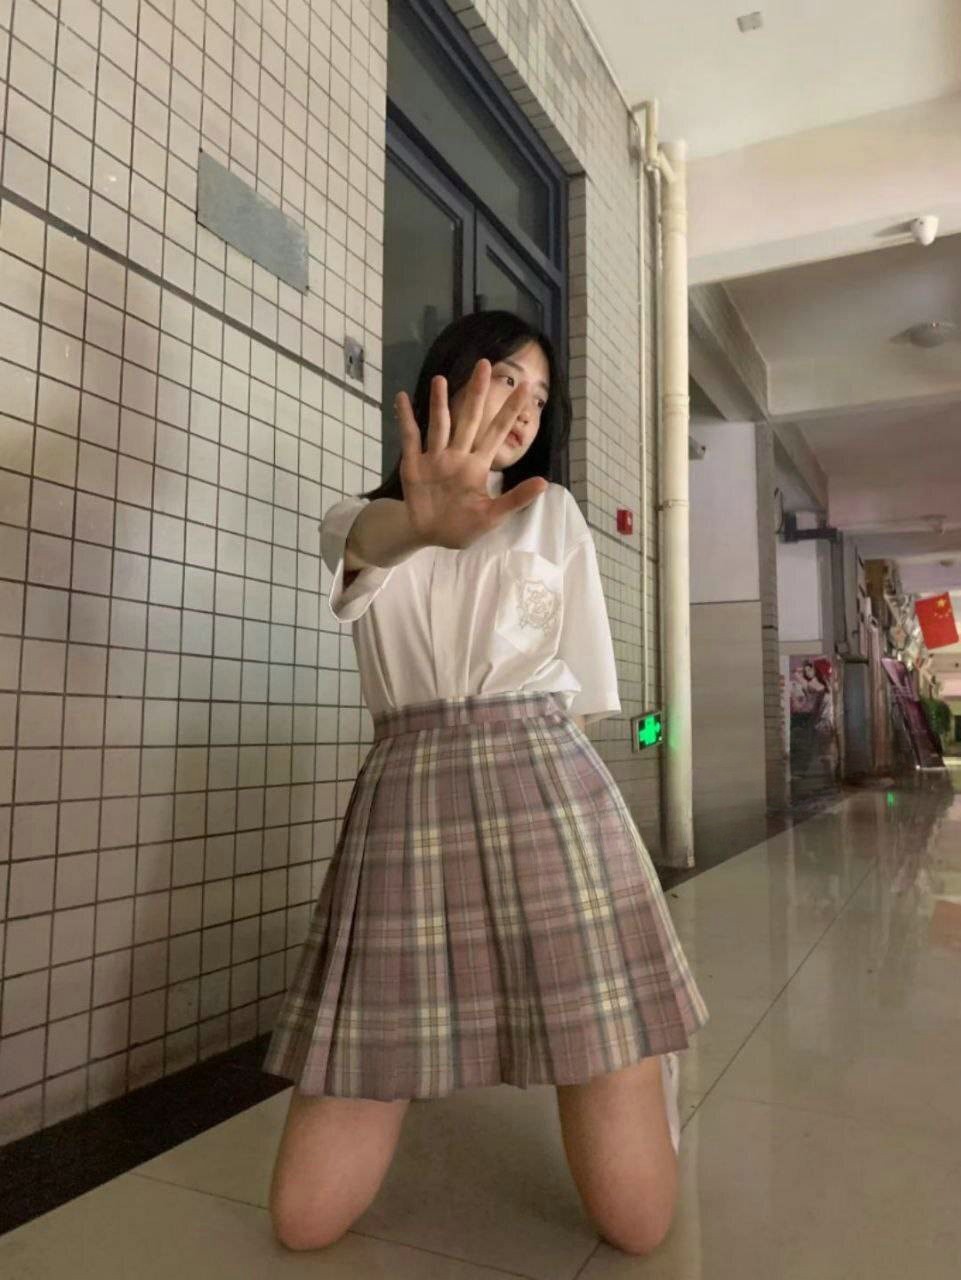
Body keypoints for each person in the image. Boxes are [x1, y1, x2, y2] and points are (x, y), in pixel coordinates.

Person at [262, 311, 708, 1258]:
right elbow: (375, 543)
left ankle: (640, 1068)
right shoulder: (357, 518)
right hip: (407, 794)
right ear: (451, 377)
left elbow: (582, 692)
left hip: (547, 779)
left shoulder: (552, 511)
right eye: (507, 377)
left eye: (540, 395)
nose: (525, 406)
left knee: (638, 1225)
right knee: (302, 1223)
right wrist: (423, 522)